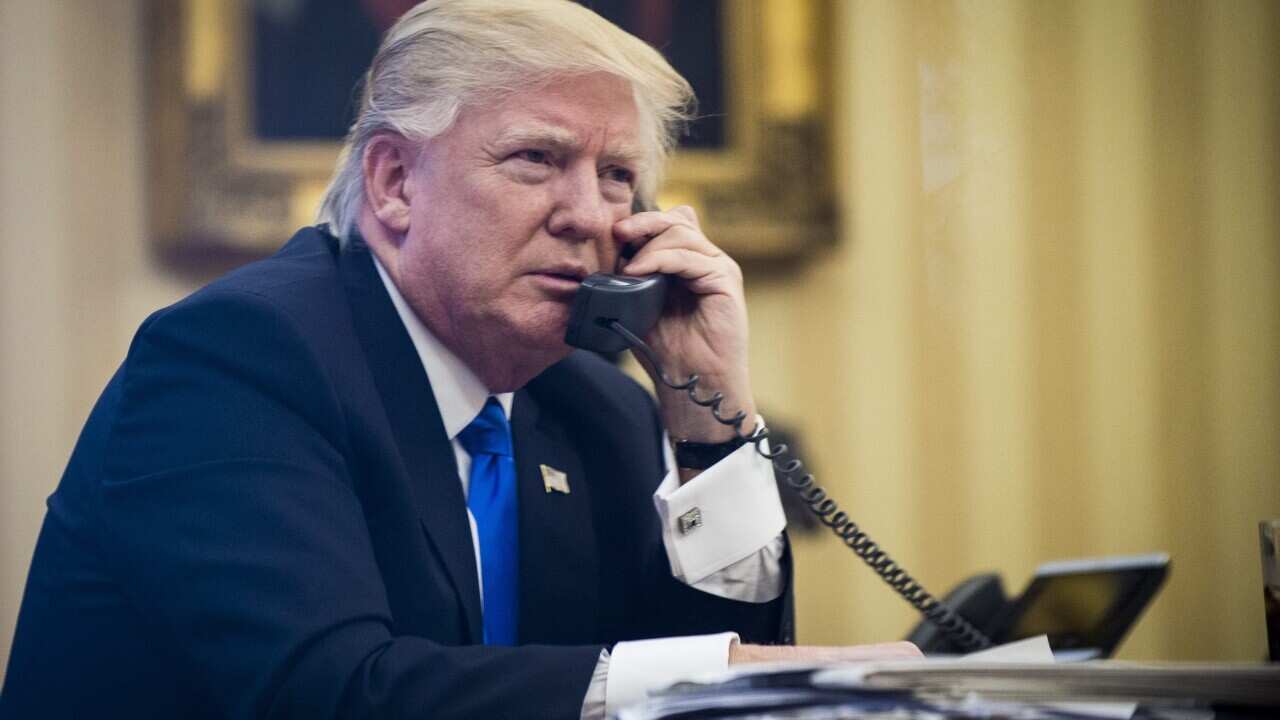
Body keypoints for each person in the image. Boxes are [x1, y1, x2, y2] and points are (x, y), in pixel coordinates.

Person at [1, 1, 919, 718]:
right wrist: (716, 672)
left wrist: (708, 419)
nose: (592, 217)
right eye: (536, 159)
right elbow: (334, 694)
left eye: (617, 177)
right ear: (396, 183)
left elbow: (716, 699)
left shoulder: (599, 406)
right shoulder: (239, 360)